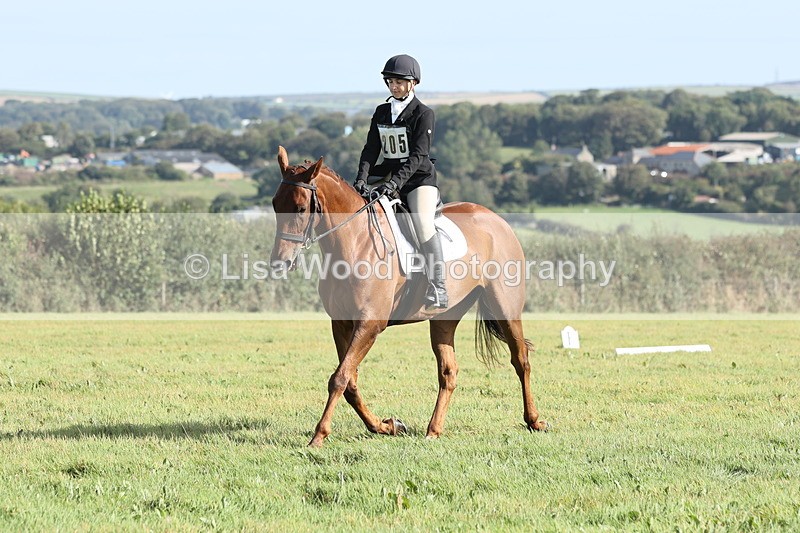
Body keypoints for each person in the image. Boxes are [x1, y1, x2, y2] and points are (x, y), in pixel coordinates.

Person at [352, 54, 448, 309]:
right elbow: (370, 149)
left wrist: (394, 184)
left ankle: (438, 287)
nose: (395, 86)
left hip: (418, 180)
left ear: (413, 83)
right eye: (391, 81)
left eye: (400, 82)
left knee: (423, 224)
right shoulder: (382, 112)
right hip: (388, 178)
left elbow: (418, 155)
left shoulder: (423, 114)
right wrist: (361, 179)